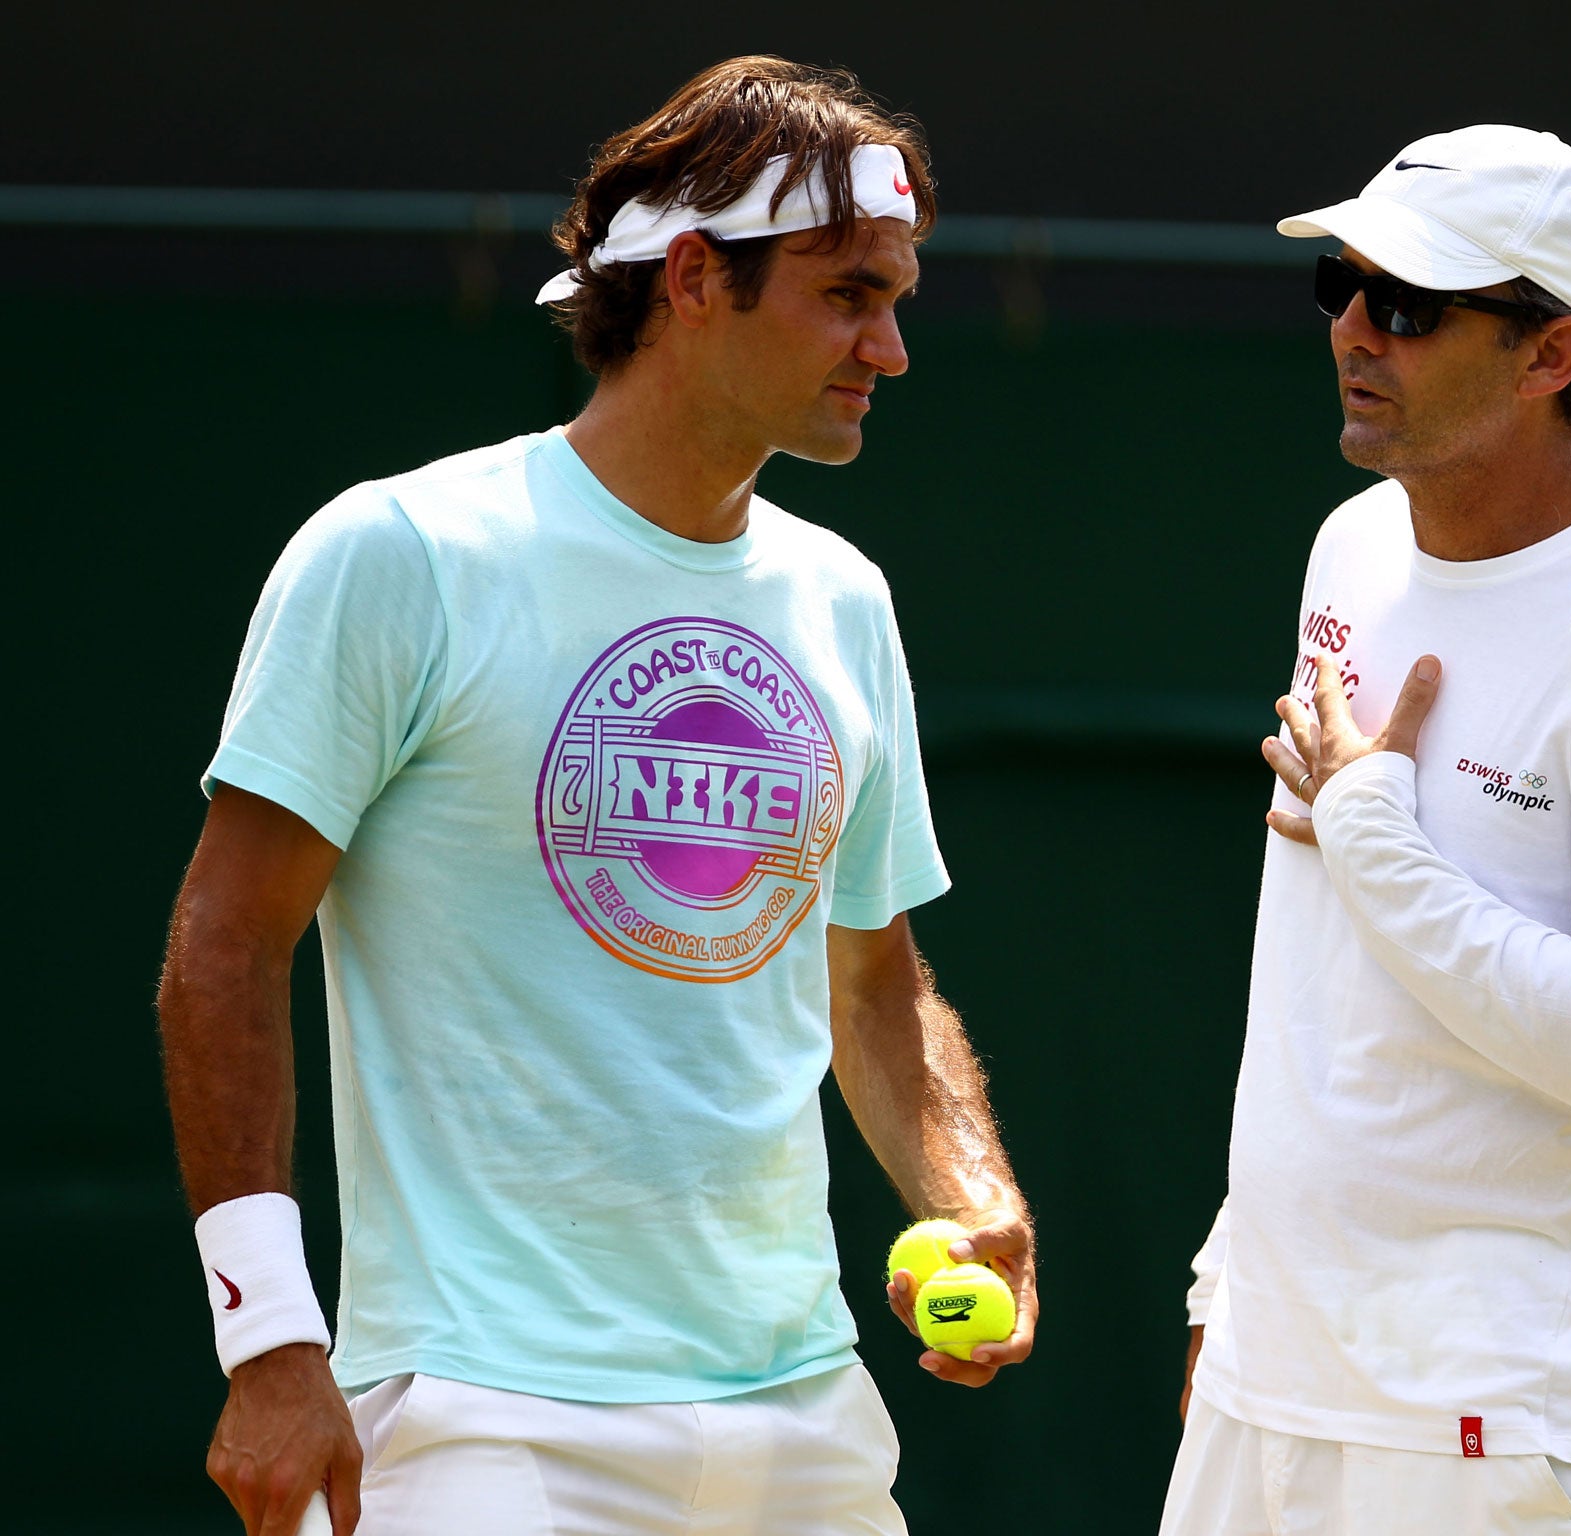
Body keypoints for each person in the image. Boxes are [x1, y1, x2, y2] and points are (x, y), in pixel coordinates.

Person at [157, 56, 1037, 1536]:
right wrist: (268, 1343)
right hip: (482, 1423)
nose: (889, 348)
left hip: (804, 1416)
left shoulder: (844, 600)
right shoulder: (399, 554)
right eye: (846, 294)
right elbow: (223, 949)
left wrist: (972, 1195)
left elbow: (873, 977)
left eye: (898, 298)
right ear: (695, 280)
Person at [1163, 125, 1571, 1536]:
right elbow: (1324, 974)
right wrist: (1233, 1283)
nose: (1356, 333)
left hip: (1515, 1422)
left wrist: (1373, 830)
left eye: (1413, 306)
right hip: (1277, 1382)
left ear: (1553, 354)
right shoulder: (1353, 546)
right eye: (1343, 287)